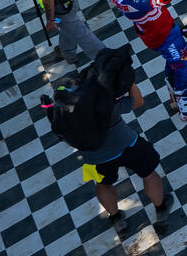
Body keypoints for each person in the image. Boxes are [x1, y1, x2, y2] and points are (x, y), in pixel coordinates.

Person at [46, 44, 175, 228]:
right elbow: (137, 102)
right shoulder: (102, 106)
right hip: (127, 144)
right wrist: (127, 81)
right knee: (148, 174)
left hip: (95, 157)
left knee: (103, 184)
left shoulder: (60, 117)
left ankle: (116, 218)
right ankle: (161, 208)